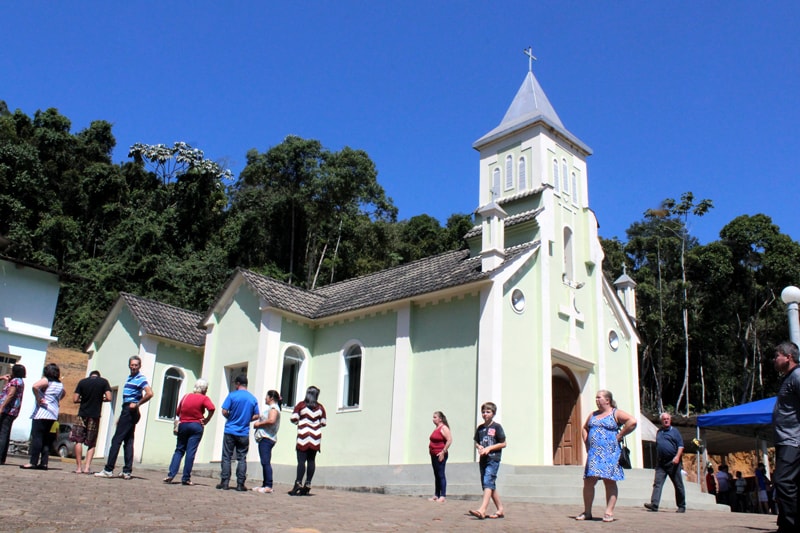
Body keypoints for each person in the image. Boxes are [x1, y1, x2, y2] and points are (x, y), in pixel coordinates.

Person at [576, 390, 637, 523]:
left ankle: (609, 512)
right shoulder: (593, 414)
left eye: (599, 397)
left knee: (609, 481)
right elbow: (585, 428)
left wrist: (620, 435)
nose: (596, 400)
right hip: (594, 454)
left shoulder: (615, 413)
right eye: (596, 398)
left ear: (607, 400)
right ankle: (587, 512)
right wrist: (586, 443)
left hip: (610, 453)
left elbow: (632, 421)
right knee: (588, 481)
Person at [95, 355, 153, 480]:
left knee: (116, 440)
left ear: (140, 366)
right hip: (126, 410)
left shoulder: (140, 378)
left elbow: (149, 393)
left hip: (130, 409)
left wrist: (137, 404)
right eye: (132, 365)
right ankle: (127, 471)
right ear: (129, 365)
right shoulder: (130, 378)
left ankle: (108, 469)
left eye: (136, 365)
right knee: (128, 440)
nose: (134, 367)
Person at [164, 378, 215, 486]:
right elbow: (212, 408)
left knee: (179, 450)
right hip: (196, 426)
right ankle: (186, 478)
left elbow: (178, 412)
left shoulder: (186, 397)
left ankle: (171, 474)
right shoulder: (204, 398)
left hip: (183, 425)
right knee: (190, 452)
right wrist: (207, 419)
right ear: (204, 389)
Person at [772, 341, 800, 532]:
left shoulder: (797, 376)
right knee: (789, 483)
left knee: (783, 481)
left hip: (793, 440)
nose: (774, 360)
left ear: (788, 357)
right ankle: (784, 525)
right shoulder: (788, 378)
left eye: (777, 356)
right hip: (785, 439)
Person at [216, 374, 259, 491]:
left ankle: (225, 482)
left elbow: (224, 411)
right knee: (242, 458)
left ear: (238, 384)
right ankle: (240, 484)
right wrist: (247, 419)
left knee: (227, 457)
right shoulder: (252, 398)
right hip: (244, 432)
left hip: (230, 429)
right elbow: (257, 415)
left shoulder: (232, 395)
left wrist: (231, 417)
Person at [20, 363, 64, 470]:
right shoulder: (60, 384)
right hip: (52, 413)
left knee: (37, 437)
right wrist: (56, 400)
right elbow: (64, 393)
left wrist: (38, 397)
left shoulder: (46, 380)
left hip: (42, 412)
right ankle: (44, 462)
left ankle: (33, 462)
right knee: (46, 440)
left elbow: (35, 386)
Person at [468, 402, 507, 520]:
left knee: (488, 481)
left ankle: (482, 510)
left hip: (493, 459)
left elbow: (503, 443)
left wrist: (490, 448)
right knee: (489, 484)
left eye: (488, 412)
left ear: (493, 413)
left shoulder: (497, 427)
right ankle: (500, 509)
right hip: (483, 459)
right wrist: (479, 447)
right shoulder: (480, 428)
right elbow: (477, 442)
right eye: (483, 412)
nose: (485, 414)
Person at [70, 370, 111, 473]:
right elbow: (109, 397)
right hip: (94, 415)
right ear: (98, 376)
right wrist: (100, 399)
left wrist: (83, 400)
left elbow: (75, 399)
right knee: (91, 443)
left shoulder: (82, 382)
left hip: (82, 415)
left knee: (78, 440)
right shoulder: (104, 382)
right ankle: (87, 468)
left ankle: (79, 468)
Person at [644, 412, 686, 513]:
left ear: (670, 420)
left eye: (668, 419)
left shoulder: (675, 432)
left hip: (673, 462)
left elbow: (681, 446)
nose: (666, 420)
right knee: (657, 484)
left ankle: (681, 506)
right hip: (661, 463)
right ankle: (654, 504)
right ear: (661, 421)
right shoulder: (659, 432)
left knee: (678, 484)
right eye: (664, 419)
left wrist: (677, 457)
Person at [289, 385, 327, 496]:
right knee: (311, 460)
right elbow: (323, 422)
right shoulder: (320, 408)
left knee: (301, 461)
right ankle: (308, 483)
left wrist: (301, 421)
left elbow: (294, 418)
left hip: (303, 436)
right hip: (315, 437)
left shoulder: (301, 405)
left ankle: (298, 483)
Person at [252, 389, 282, 494]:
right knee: (264, 461)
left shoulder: (273, 408)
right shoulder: (270, 408)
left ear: (271, 398)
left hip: (267, 438)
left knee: (265, 461)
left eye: (267, 396)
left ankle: (268, 485)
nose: (265, 398)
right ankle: (265, 484)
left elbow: (271, 420)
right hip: (265, 437)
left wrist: (258, 424)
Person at [0, 364, 26, 464]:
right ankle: (2, 457)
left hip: (8, 410)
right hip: (12, 411)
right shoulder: (18, 381)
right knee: (4, 433)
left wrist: (2, 407)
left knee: (3, 433)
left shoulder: (15, 382)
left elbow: (11, 394)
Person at [428, 410, 453, 503]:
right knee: (436, 474)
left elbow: (449, 440)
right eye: (433, 417)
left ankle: (442, 495)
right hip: (433, 454)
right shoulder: (436, 428)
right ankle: (436, 494)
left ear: (440, 419)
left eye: (435, 417)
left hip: (440, 454)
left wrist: (443, 452)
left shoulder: (444, 428)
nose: (433, 419)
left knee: (441, 474)